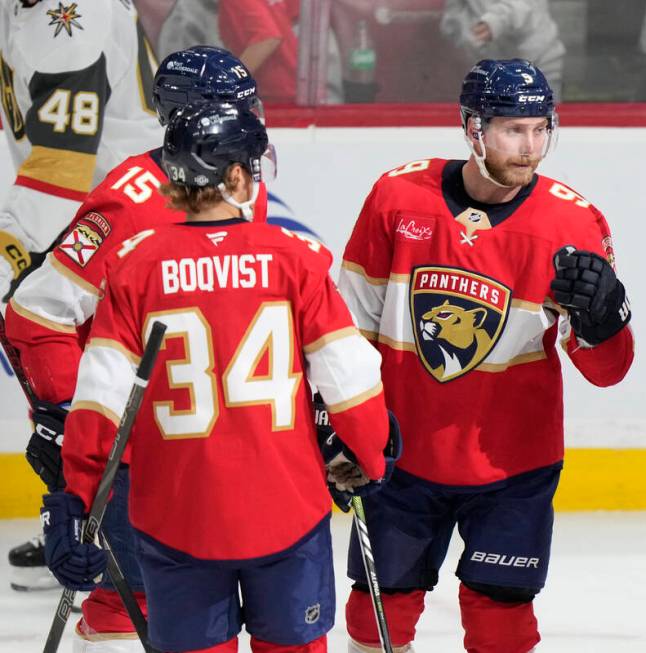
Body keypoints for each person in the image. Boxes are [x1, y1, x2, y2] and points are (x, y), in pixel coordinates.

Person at [44, 100, 396, 653]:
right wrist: (369, 459)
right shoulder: (294, 259)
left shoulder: (135, 267)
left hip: (174, 515)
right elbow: (350, 381)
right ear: (235, 174)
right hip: (287, 510)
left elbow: (98, 405)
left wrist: (77, 500)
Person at [337, 58, 634, 652]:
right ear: (472, 128)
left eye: (541, 128)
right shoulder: (397, 197)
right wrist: (344, 424)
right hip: (402, 452)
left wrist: (605, 315)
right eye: (512, 129)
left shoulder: (572, 221)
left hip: (513, 464)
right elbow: (350, 329)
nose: (531, 147)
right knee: (378, 611)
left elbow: (607, 371)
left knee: (501, 618)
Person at [4, 46, 266, 649]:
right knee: (128, 602)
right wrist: (73, 420)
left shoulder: (242, 179)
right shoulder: (130, 199)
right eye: (237, 108)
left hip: (206, 439)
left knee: (214, 598)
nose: (253, 118)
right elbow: (33, 314)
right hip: (139, 447)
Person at [0, 0, 161, 301]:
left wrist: (7, 253)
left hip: (119, 221)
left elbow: (61, 172)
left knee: (40, 328)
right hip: (81, 211)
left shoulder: (75, 21)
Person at [440, 0, 566, 98]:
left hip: (538, 62)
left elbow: (526, 5)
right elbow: (453, 17)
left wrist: (496, 20)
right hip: (494, 70)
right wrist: (467, 35)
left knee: (545, 121)